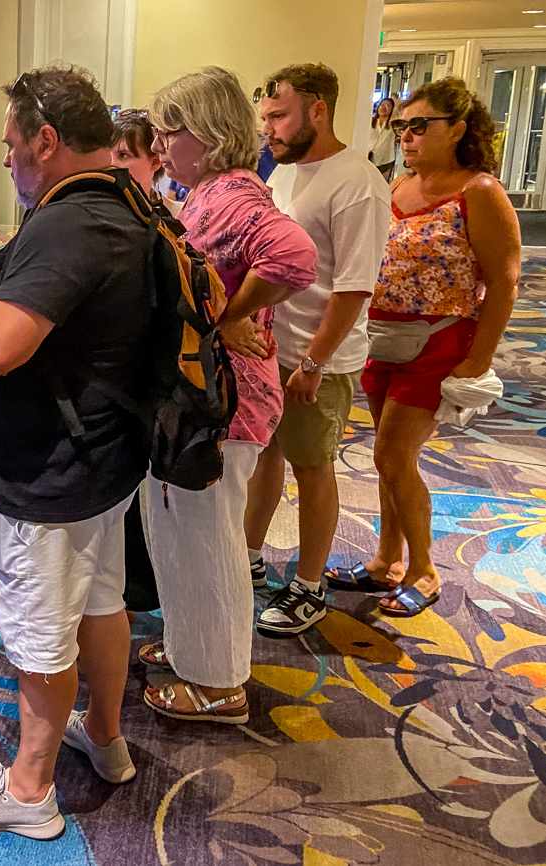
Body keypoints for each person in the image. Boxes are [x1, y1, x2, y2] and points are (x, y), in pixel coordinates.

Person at [0, 66, 167, 838]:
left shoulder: (65, 223)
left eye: (13, 146)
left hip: (50, 468)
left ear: (46, 141)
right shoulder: (123, 198)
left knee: (38, 629)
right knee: (98, 602)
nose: (8, 162)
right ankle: (107, 742)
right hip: (103, 455)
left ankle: (27, 791)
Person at [139, 67, 316, 722]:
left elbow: (294, 257)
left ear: (207, 133)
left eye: (170, 129)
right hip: (207, 395)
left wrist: (226, 313)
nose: (161, 143)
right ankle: (194, 646)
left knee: (208, 539)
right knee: (182, 534)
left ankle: (217, 684)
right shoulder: (204, 191)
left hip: (227, 400)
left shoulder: (234, 195)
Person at [350, 77, 520, 616]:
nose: (406, 136)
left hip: (440, 343)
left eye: (420, 126)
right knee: (388, 461)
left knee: (392, 455)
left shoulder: (480, 192)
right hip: (383, 339)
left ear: (459, 130)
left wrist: (479, 359)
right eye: (401, 126)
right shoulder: (397, 187)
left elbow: (505, 279)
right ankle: (385, 559)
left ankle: (423, 570)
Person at [245, 64, 391, 637]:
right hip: (269, 349)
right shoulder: (284, 173)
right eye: (266, 119)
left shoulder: (356, 182)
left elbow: (354, 286)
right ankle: (250, 556)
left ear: (318, 110)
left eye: (279, 116)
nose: (269, 130)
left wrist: (313, 362)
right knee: (263, 460)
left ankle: (309, 584)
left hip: (316, 359)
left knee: (312, 468)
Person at [110, 109, 164, 614]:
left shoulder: (160, 218)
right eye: (111, 154)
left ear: (155, 160)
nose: (116, 164)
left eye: (126, 155)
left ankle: (143, 585)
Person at [370, 97, 399, 180]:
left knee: (382, 184)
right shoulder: (371, 121)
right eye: (382, 105)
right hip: (370, 158)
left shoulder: (393, 124)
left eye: (388, 106)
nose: (384, 107)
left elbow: (400, 113)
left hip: (386, 161)